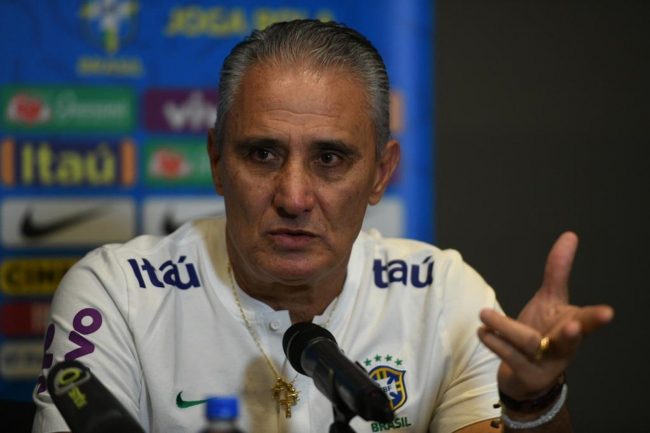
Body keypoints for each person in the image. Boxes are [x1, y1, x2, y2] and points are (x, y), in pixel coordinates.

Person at [32, 19, 613, 433]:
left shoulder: (444, 295)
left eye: (330, 158)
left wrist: (532, 401)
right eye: (262, 154)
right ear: (216, 162)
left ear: (380, 174)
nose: (294, 197)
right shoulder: (117, 292)